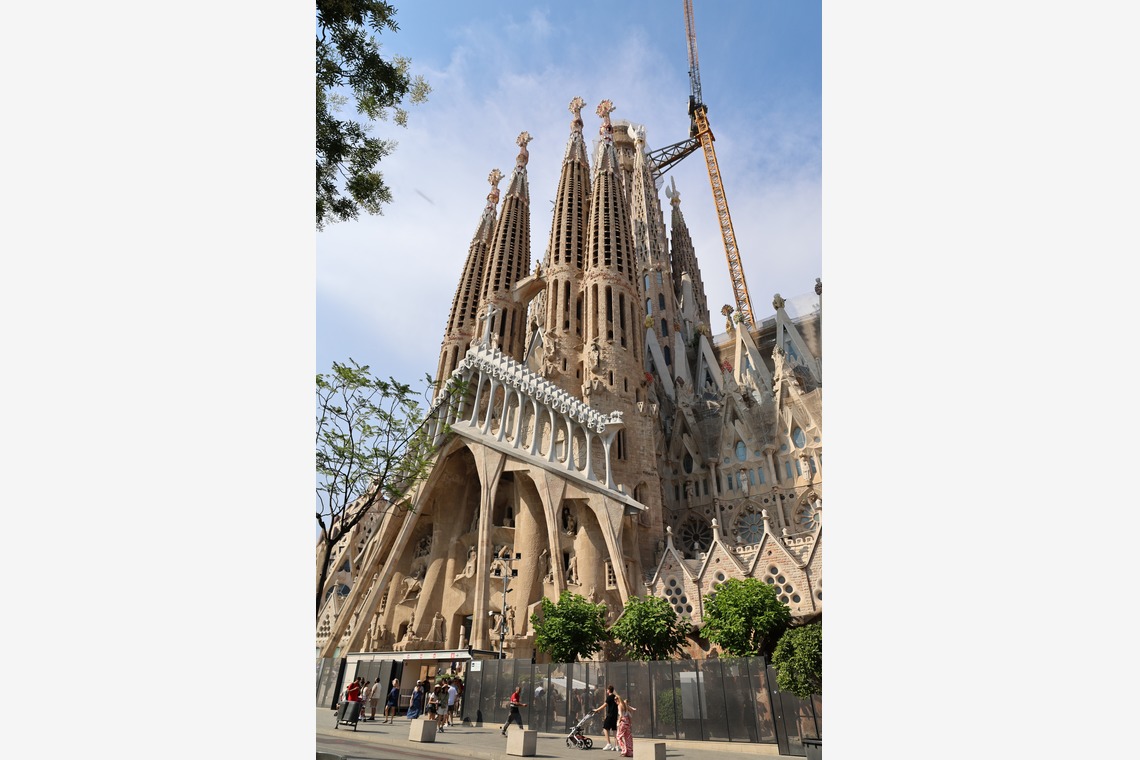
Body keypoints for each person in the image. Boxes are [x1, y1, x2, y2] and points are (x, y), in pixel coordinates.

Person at [592, 685, 618, 751]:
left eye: (607, 690)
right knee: (614, 730)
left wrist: (597, 710)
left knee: (605, 728)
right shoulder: (615, 697)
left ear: (609, 690)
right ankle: (616, 745)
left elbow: (604, 705)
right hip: (615, 715)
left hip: (610, 715)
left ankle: (608, 744)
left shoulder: (609, 697)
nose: (606, 691)